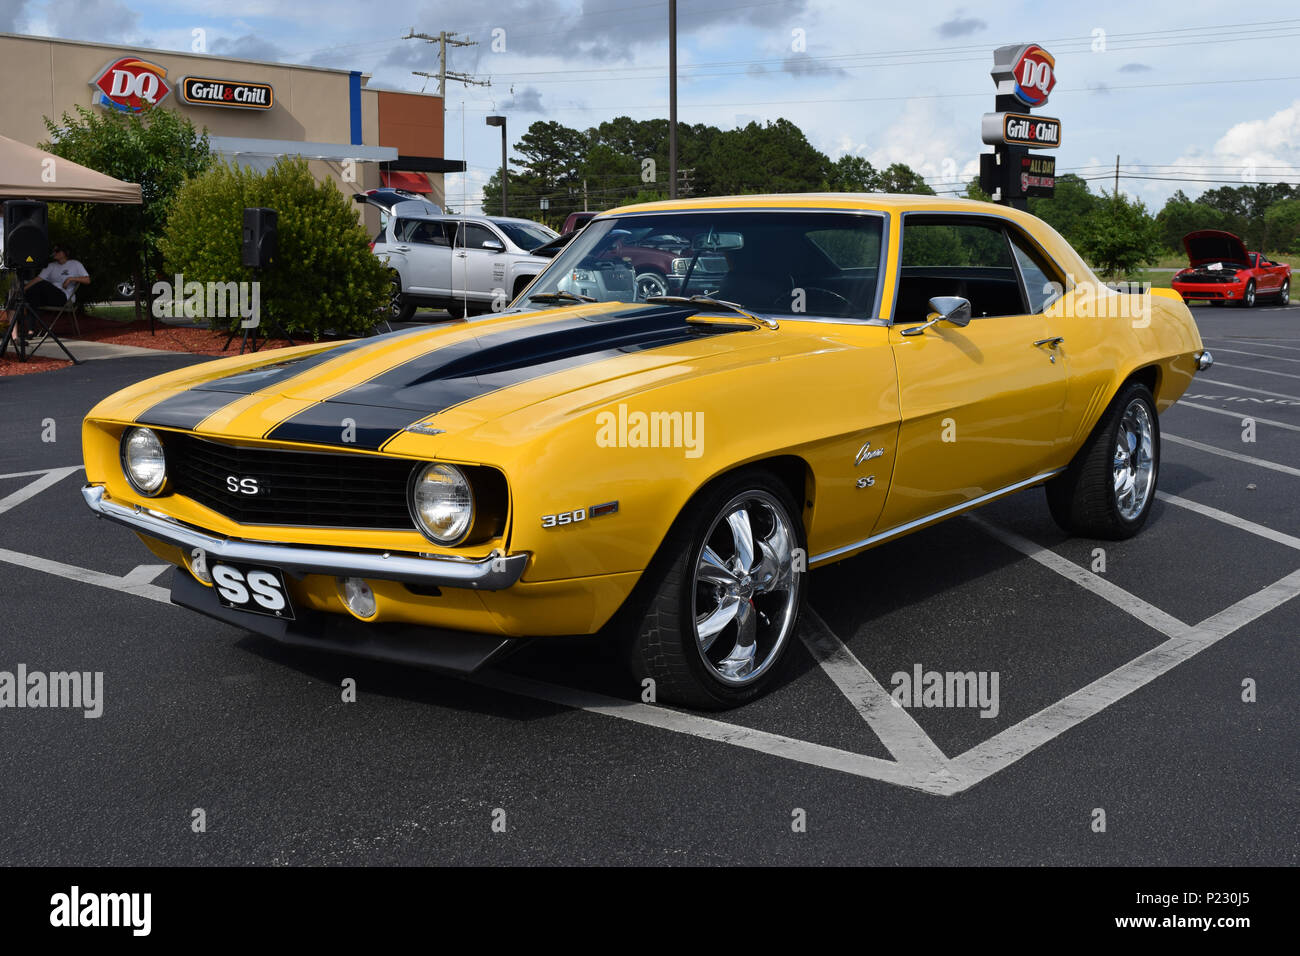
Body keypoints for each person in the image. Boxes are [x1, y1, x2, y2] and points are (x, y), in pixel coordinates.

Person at [4, 245, 89, 346]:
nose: (54, 253)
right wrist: (22, 290)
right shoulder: (51, 266)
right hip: (49, 296)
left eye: (57, 251)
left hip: (64, 297)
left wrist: (71, 279)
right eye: (53, 251)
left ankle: (30, 330)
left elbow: (87, 280)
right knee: (30, 295)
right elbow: (37, 279)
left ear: (64, 253)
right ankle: (29, 331)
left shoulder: (75, 264)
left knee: (41, 285)